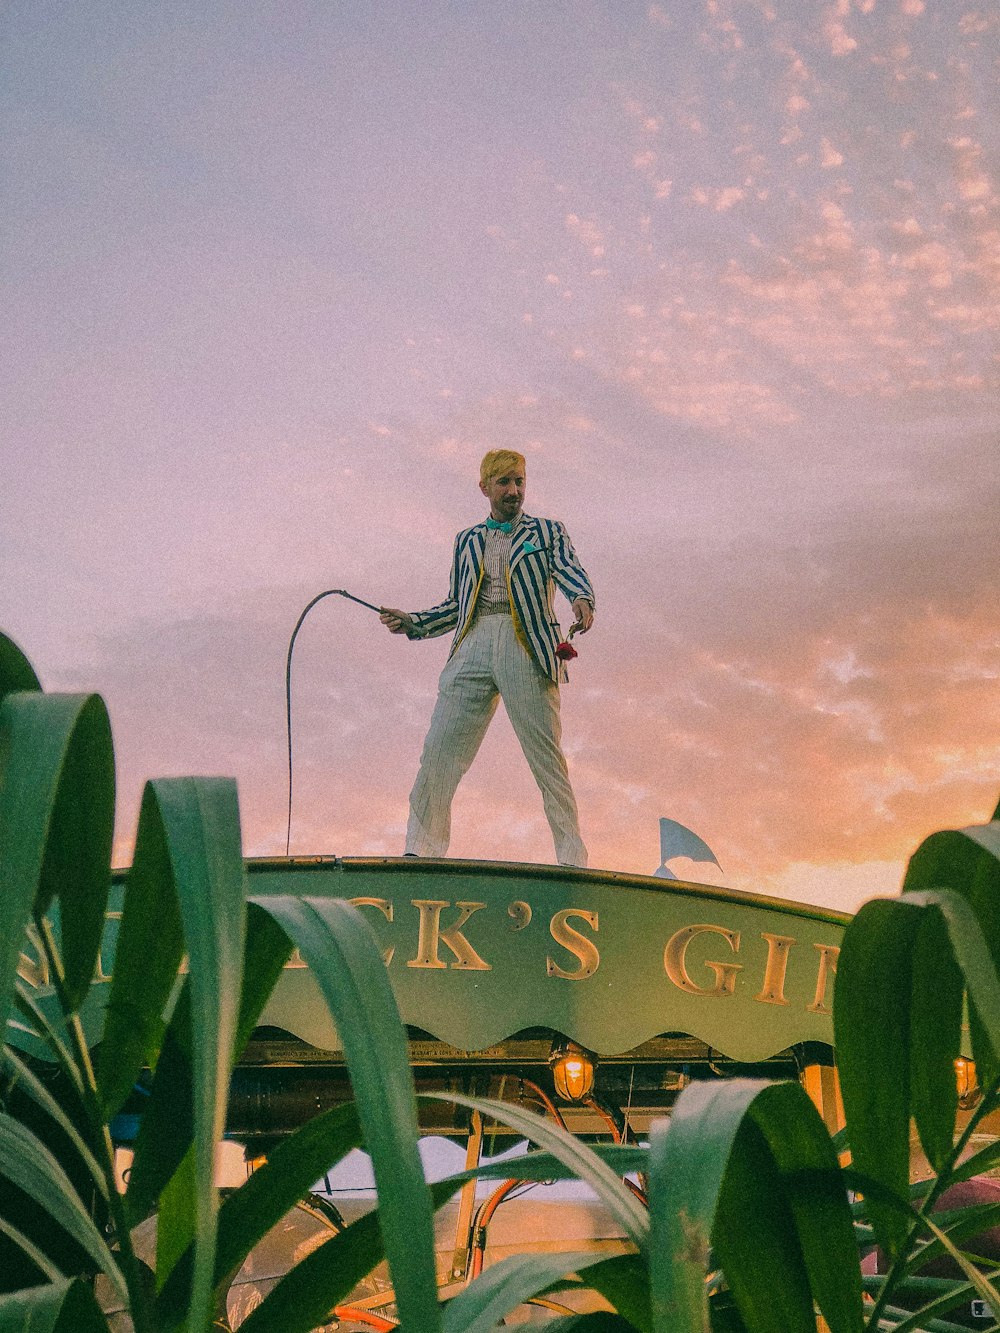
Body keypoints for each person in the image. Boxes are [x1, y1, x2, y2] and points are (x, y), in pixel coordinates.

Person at [380, 449, 594, 866]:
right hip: (473, 642)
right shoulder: (467, 540)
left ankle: (572, 860)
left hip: (527, 644)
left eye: (519, 482)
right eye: (504, 483)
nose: (514, 491)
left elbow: (571, 570)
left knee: (545, 756)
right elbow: (457, 604)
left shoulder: (548, 532)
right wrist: (414, 622)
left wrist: (582, 599)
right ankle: (420, 852)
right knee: (439, 751)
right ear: (485, 488)